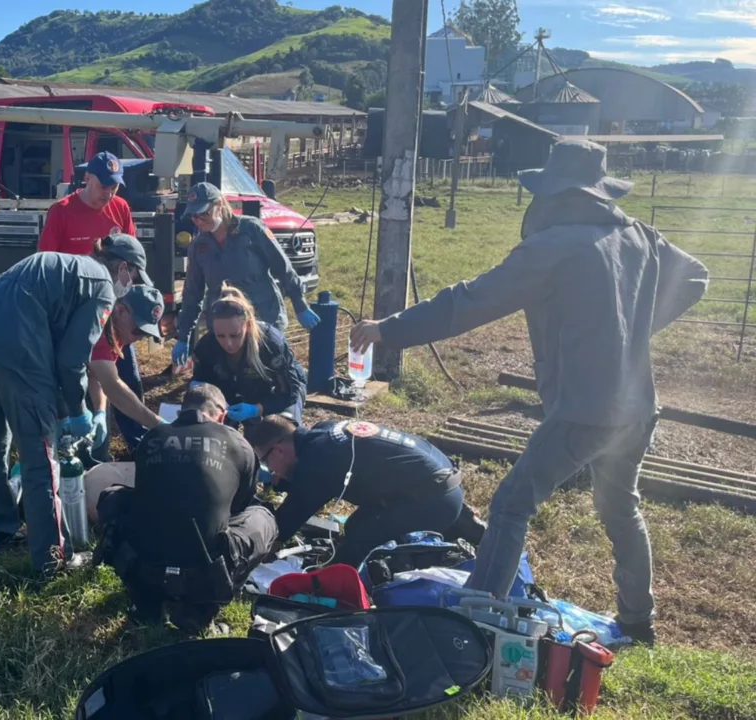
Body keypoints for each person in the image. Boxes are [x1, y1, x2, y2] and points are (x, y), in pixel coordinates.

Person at [350, 139, 710, 646]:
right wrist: (633, 328)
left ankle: (477, 618)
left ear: (553, 194)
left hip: (586, 408)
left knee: (512, 503)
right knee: (620, 507)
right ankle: (638, 621)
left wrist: (390, 328)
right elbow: (697, 276)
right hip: (638, 407)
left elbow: (468, 303)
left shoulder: (552, 247)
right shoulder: (640, 236)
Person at [0, 233, 148, 577]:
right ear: (122, 267)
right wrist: (77, 411)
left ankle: (0, 530)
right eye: (133, 278)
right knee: (41, 459)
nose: (129, 286)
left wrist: (61, 407)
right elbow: (73, 360)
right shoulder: (101, 285)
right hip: (17, 350)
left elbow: (57, 346)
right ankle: (52, 559)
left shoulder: (62, 265)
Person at [95, 383, 277, 634]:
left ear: (181, 412)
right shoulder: (237, 443)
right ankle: (201, 610)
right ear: (222, 416)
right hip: (205, 573)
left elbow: (147, 494)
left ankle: (147, 603)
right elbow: (238, 508)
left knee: (114, 497)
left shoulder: (152, 437)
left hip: (143, 565)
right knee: (263, 516)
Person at [247, 415, 486, 568]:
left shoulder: (319, 459)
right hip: (441, 478)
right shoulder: (322, 433)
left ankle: (450, 528)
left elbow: (292, 514)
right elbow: (310, 481)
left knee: (356, 547)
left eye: (266, 462)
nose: (269, 470)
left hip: (434, 500)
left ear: (278, 450)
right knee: (354, 526)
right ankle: (460, 523)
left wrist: (262, 550)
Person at [39, 152, 148, 454]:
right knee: (83, 376)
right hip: (76, 311)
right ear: (87, 179)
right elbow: (47, 264)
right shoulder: (61, 212)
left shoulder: (120, 209)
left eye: (115, 187)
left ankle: (139, 445)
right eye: (103, 186)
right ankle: (86, 447)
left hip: (113, 309)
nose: (109, 194)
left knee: (127, 377)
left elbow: (131, 257)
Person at [171, 181, 319, 367]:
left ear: (219, 205)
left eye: (204, 214)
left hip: (263, 317)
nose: (199, 221)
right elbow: (193, 293)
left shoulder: (252, 230)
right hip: (226, 326)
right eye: (194, 216)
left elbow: (282, 267)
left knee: (270, 370)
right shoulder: (199, 246)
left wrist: (300, 303)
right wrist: (183, 336)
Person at [191, 283, 307, 425]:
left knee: (281, 428)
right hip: (231, 393)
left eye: (235, 335)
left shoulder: (270, 344)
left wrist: (256, 409)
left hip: (271, 392)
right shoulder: (206, 346)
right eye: (220, 335)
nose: (228, 343)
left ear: (248, 325)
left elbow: (289, 393)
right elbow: (201, 384)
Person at [87, 284, 170, 461]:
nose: (138, 338)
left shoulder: (118, 330)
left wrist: (100, 411)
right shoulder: (99, 329)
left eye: (145, 334)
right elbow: (114, 388)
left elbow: (96, 376)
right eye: (138, 330)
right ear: (120, 310)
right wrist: (159, 425)